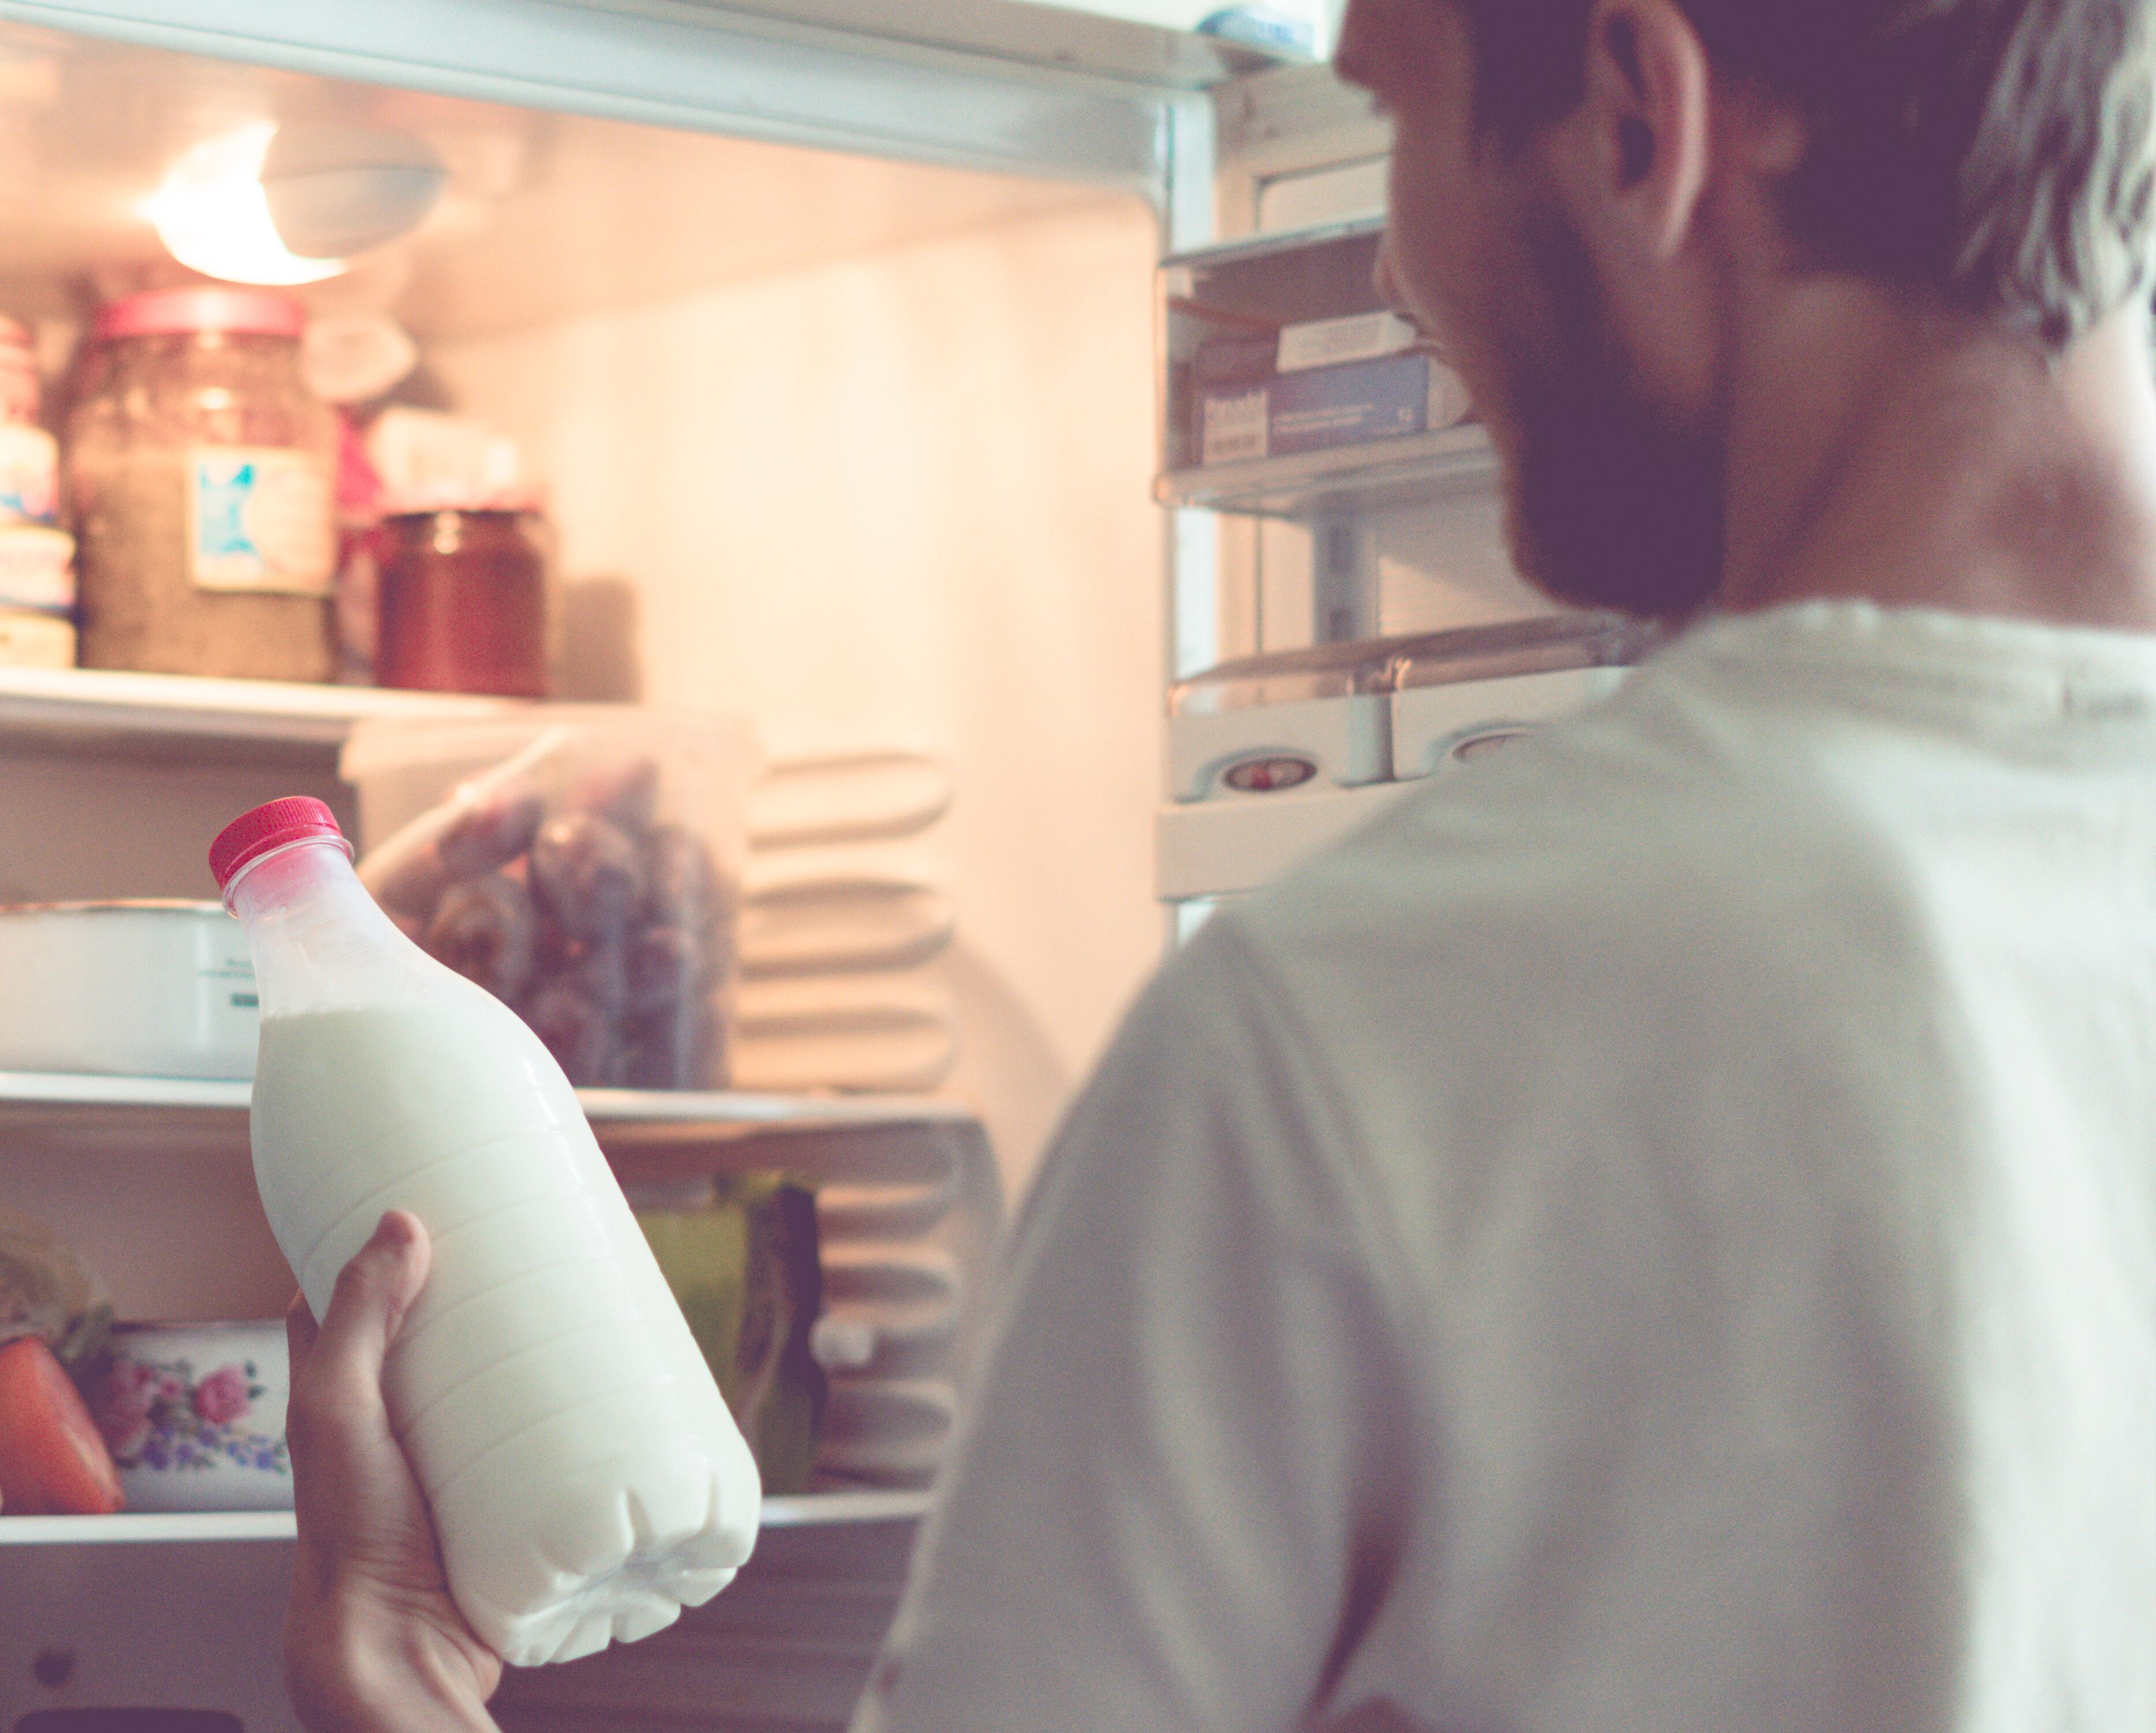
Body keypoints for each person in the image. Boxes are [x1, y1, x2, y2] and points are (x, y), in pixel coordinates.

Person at [278, 0, 2156, 1725]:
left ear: (1637, 110)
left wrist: (405, 1692)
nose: (1406, 271)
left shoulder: (1388, 1014)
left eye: (1399, 112)